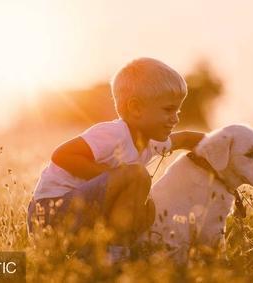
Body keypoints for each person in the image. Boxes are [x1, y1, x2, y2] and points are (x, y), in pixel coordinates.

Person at [26, 57, 204, 263]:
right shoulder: (114, 133)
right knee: (137, 176)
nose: (176, 118)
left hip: (80, 215)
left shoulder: (152, 141)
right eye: (168, 110)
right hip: (50, 214)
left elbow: (184, 139)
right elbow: (62, 155)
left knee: (147, 210)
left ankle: (102, 255)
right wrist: (113, 176)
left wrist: (222, 144)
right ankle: (116, 256)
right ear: (136, 108)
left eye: (178, 110)